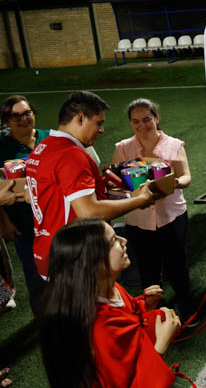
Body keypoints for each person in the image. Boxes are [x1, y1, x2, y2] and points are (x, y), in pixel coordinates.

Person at [39, 217, 182, 388]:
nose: (124, 240)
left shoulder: (108, 288)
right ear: (93, 262)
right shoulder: (100, 331)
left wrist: (143, 304)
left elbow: (124, 313)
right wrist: (160, 347)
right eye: (114, 240)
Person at [26, 91, 154, 278]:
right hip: (74, 258)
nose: (101, 130)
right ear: (80, 118)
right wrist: (141, 200)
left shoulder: (41, 148)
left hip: (49, 251)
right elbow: (89, 211)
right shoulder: (70, 154)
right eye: (99, 122)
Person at [112, 98, 195, 318]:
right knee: (148, 268)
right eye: (135, 121)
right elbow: (116, 183)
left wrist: (172, 183)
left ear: (156, 118)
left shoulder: (173, 145)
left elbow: (186, 176)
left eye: (147, 119)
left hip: (171, 215)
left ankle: (186, 305)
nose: (142, 125)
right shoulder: (122, 148)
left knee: (177, 265)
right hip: (138, 219)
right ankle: (155, 313)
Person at [0, 95, 50, 307]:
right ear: (6, 121)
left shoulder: (50, 138)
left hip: (54, 218)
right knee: (36, 277)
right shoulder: (2, 148)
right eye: (16, 116)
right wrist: (4, 222)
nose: (23, 119)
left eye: (27, 113)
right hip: (24, 225)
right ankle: (46, 325)